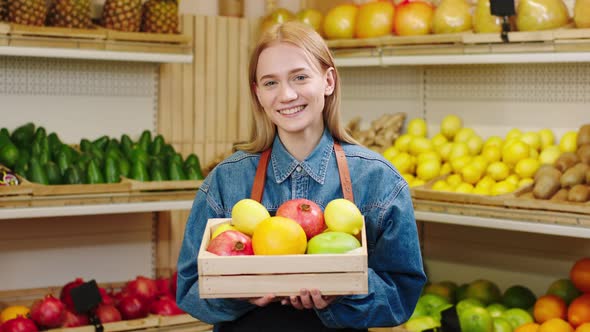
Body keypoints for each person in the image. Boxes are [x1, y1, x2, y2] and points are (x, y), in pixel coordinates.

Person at [176, 21, 426, 331]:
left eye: (300, 77)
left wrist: (341, 293)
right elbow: (188, 287)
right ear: (257, 93)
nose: (287, 94)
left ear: (328, 81)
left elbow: (402, 293)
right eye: (270, 83)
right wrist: (239, 293)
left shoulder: (377, 179)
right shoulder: (226, 180)